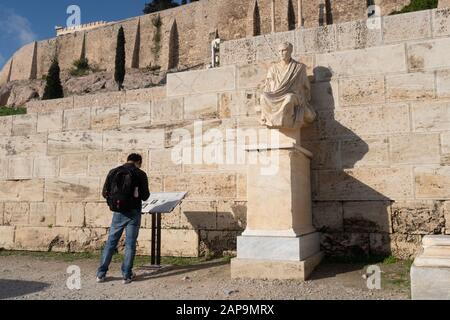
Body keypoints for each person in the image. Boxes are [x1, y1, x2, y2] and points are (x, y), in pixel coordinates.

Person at [96, 153, 150, 284]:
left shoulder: (114, 171)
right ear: (139, 162)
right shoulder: (140, 174)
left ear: (127, 160)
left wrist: (115, 202)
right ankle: (126, 275)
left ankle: (101, 274)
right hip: (134, 212)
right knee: (130, 244)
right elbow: (145, 196)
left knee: (111, 242)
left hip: (118, 212)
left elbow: (104, 193)